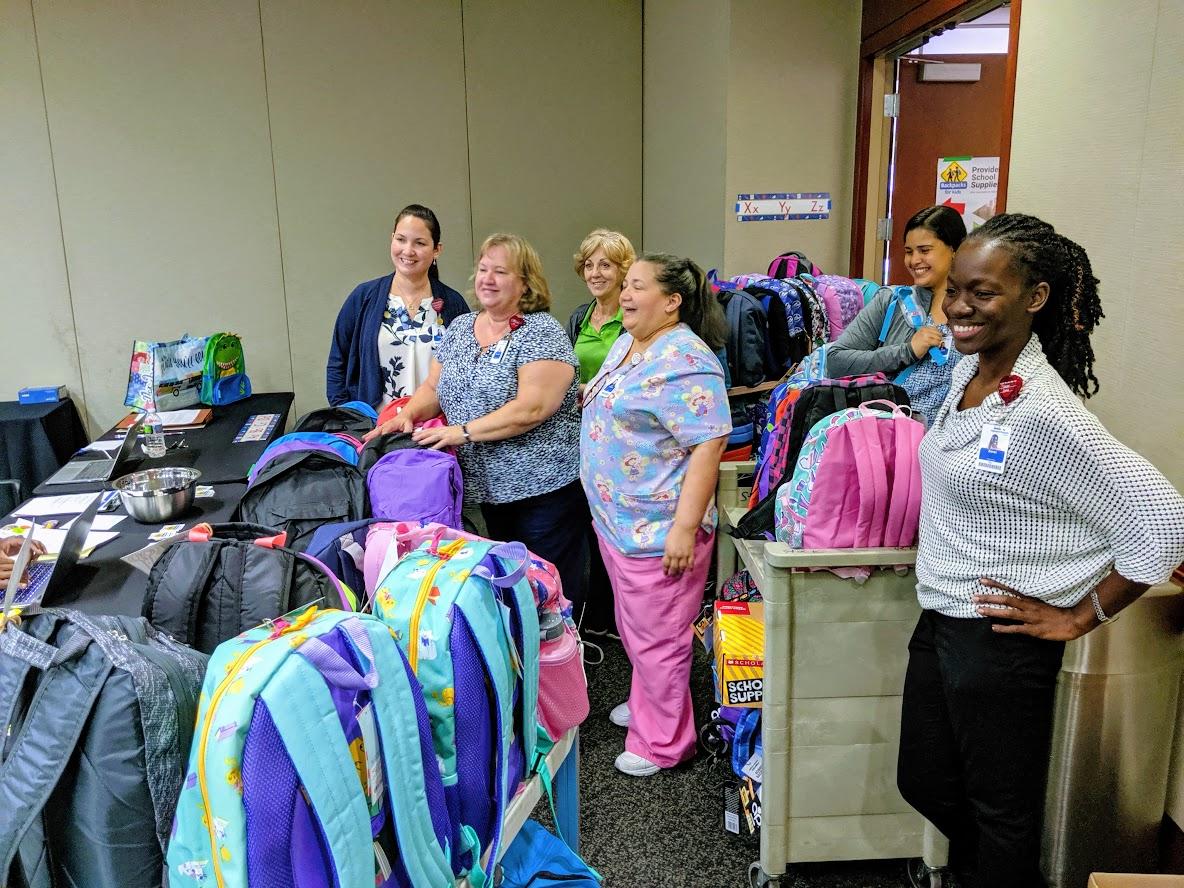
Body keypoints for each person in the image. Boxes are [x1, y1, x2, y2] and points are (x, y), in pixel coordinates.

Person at [896, 213, 1184, 888]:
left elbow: (1163, 518)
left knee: (1002, 815)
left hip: (1000, 639)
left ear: (1034, 299)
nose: (960, 306)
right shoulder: (970, 374)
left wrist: (1081, 615)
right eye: (956, 289)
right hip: (942, 617)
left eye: (983, 292)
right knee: (926, 782)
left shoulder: (1045, 413)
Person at [364, 233, 588, 613]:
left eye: (500, 271)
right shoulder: (462, 328)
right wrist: (406, 414)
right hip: (488, 492)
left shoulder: (542, 332)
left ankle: (563, 661)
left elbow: (532, 408)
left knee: (549, 587)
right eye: (484, 269)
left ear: (525, 283)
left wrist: (461, 432)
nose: (487, 278)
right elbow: (434, 386)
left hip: (543, 489)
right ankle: (519, 661)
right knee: (508, 584)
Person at [580, 253, 731, 777]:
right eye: (627, 284)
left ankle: (666, 741)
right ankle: (648, 706)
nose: (624, 294)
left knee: (661, 637)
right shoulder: (629, 341)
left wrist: (684, 530)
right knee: (636, 626)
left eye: (637, 286)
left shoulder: (687, 360)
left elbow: (709, 445)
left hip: (660, 527)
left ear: (672, 302)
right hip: (619, 522)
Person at [826, 205, 967, 424]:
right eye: (909, 252)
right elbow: (835, 361)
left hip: (947, 445)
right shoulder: (892, 301)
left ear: (955, 250)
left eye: (925, 250)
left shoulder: (976, 311)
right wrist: (907, 351)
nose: (914, 260)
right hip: (888, 438)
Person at [565, 229, 637, 637]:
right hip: (580, 433)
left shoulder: (633, 318)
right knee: (585, 522)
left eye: (605, 264)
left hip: (619, 437)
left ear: (623, 270)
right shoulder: (580, 316)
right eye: (590, 264)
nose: (595, 272)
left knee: (614, 523)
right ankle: (593, 613)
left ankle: (616, 616)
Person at [327, 204, 470, 408]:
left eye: (419, 243)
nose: (408, 250)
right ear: (392, 238)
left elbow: (469, 369)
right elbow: (337, 363)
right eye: (401, 239)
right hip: (375, 431)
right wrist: (348, 417)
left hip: (436, 431)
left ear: (437, 250)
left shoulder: (453, 304)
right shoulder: (364, 297)